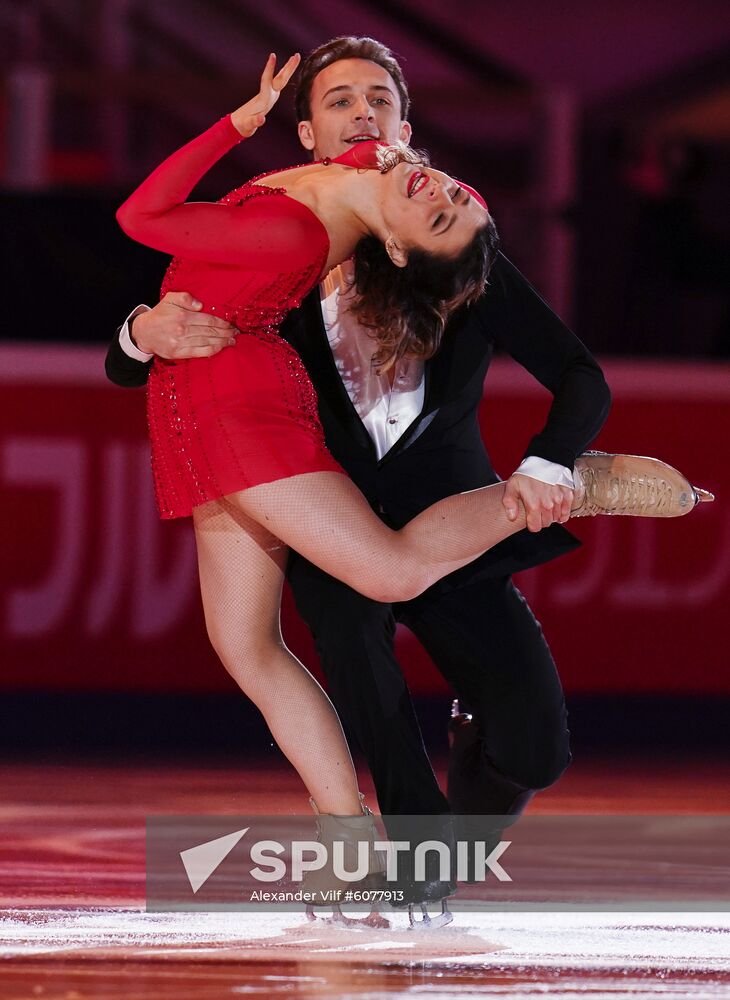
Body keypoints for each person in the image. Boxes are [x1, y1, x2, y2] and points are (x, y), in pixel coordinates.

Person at [109, 39, 711, 917]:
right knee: (286, 640)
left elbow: (580, 372)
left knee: (531, 744)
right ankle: (377, 850)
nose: (364, 114)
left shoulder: (447, 236)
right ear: (309, 133)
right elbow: (155, 308)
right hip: (307, 475)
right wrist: (140, 330)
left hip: (425, 502)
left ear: (405, 128)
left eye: (381, 100)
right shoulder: (332, 199)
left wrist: (548, 462)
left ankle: (575, 488)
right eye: (342, 100)